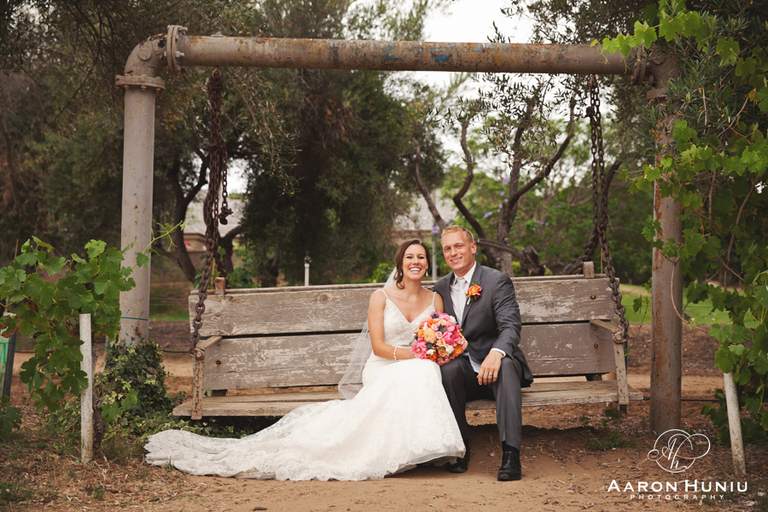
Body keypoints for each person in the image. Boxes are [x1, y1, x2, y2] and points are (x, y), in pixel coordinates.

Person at [144, 239, 464, 480]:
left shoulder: (434, 298)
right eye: (410, 256)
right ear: (400, 262)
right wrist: (419, 354)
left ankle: (421, 447)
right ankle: (407, 450)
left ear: (427, 264)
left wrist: (435, 350)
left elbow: (441, 337)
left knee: (423, 370)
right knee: (421, 369)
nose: (416, 261)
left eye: (421, 257)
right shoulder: (380, 297)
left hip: (413, 365)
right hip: (384, 365)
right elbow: (379, 347)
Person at [434, 225, 533, 481]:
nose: (453, 252)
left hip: (496, 367)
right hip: (466, 371)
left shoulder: (496, 280)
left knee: (508, 366)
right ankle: (460, 449)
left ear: (472, 247)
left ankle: (511, 454)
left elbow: (510, 326)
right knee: (448, 369)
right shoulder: (441, 287)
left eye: (459, 246)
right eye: (447, 248)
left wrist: (497, 352)